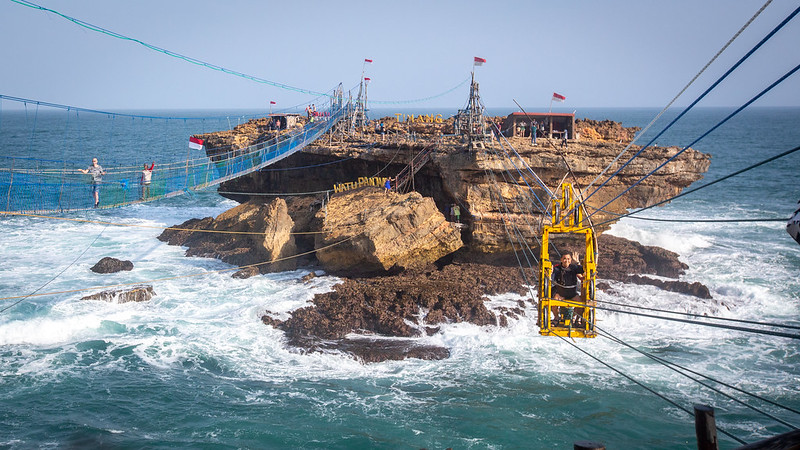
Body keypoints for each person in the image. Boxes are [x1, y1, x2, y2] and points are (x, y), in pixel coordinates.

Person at [551, 251, 584, 325]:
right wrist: (550, 272)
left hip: (572, 293)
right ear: (561, 260)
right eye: (565, 259)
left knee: (581, 303)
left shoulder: (574, 268)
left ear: (571, 260)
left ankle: (575, 318)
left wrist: (578, 262)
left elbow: (582, 271)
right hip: (561, 293)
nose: (567, 260)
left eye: (568, 259)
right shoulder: (557, 268)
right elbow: (551, 278)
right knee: (553, 302)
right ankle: (556, 318)